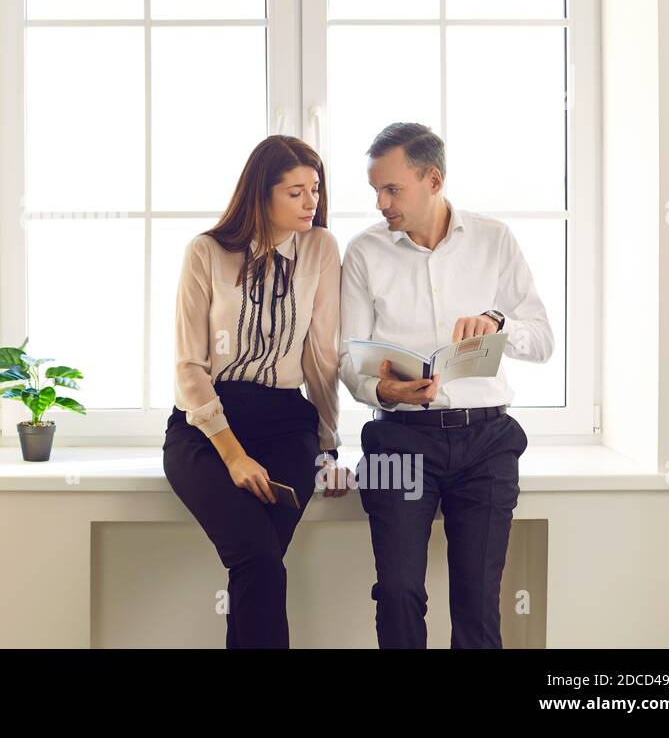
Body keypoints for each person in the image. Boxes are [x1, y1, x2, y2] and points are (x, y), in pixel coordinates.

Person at [339, 122, 554, 648]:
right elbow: (347, 358)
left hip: (487, 442)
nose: (381, 203)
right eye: (375, 190)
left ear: (432, 179)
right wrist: (383, 391)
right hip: (399, 440)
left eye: (392, 189)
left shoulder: (494, 239)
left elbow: (542, 340)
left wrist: (497, 325)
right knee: (397, 590)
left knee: (478, 598)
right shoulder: (364, 252)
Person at [163, 135, 350, 649]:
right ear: (260, 194)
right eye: (295, 192)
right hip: (207, 427)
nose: (311, 202)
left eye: (315, 189)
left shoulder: (321, 248)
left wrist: (330, 446)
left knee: (259, 565)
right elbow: (188, 366)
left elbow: (321, 355)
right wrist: (234, 455)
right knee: (257, 560)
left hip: (289, 425)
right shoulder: (206, 252)